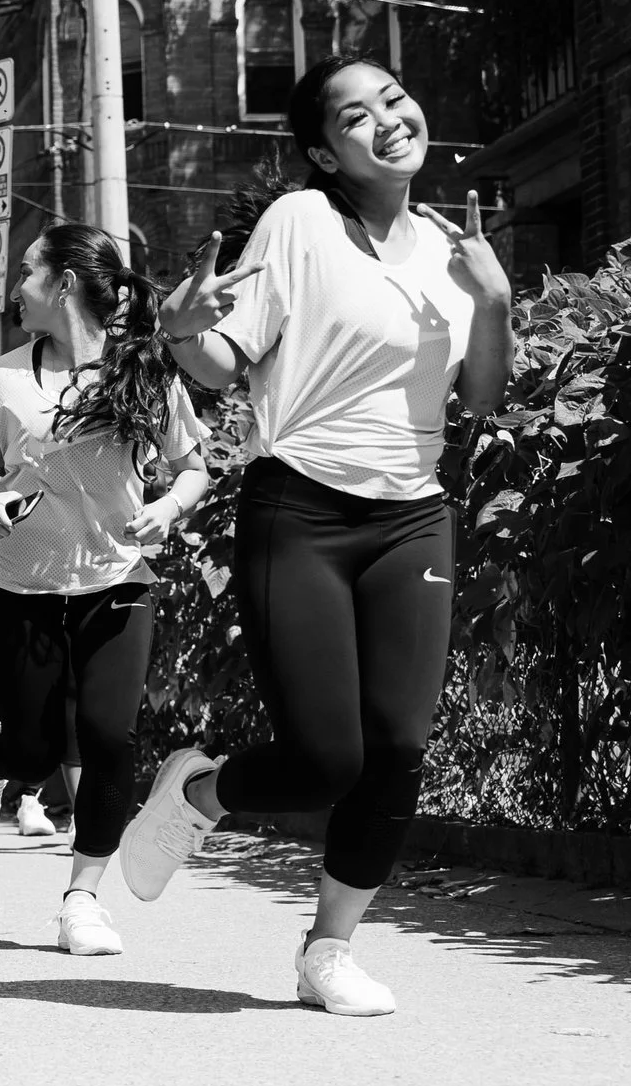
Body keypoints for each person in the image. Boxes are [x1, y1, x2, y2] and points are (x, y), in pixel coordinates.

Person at [123, 55, 511, 1014]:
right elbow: (222, 365)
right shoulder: (298, 224)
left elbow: (483, 399)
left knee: (398, 747)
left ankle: (327, 950)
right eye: (354, 117)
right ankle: (201, 792)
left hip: (412, 516)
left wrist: (495, 300)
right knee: (324, 756)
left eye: (393, 98)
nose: (387, 119)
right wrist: (179, 332)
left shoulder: (449, 251)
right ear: (322, 151)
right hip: (299, 507)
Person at [0, 226, 210, 954]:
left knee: (108, 737)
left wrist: (168, 506)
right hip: (18, 583)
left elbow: (194, 467)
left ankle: (81, 899)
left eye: (28, 271)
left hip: (117, 580)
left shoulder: (143, 374)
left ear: (62, 283)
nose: (16, 287)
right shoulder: (2, 377)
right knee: (32, 751)